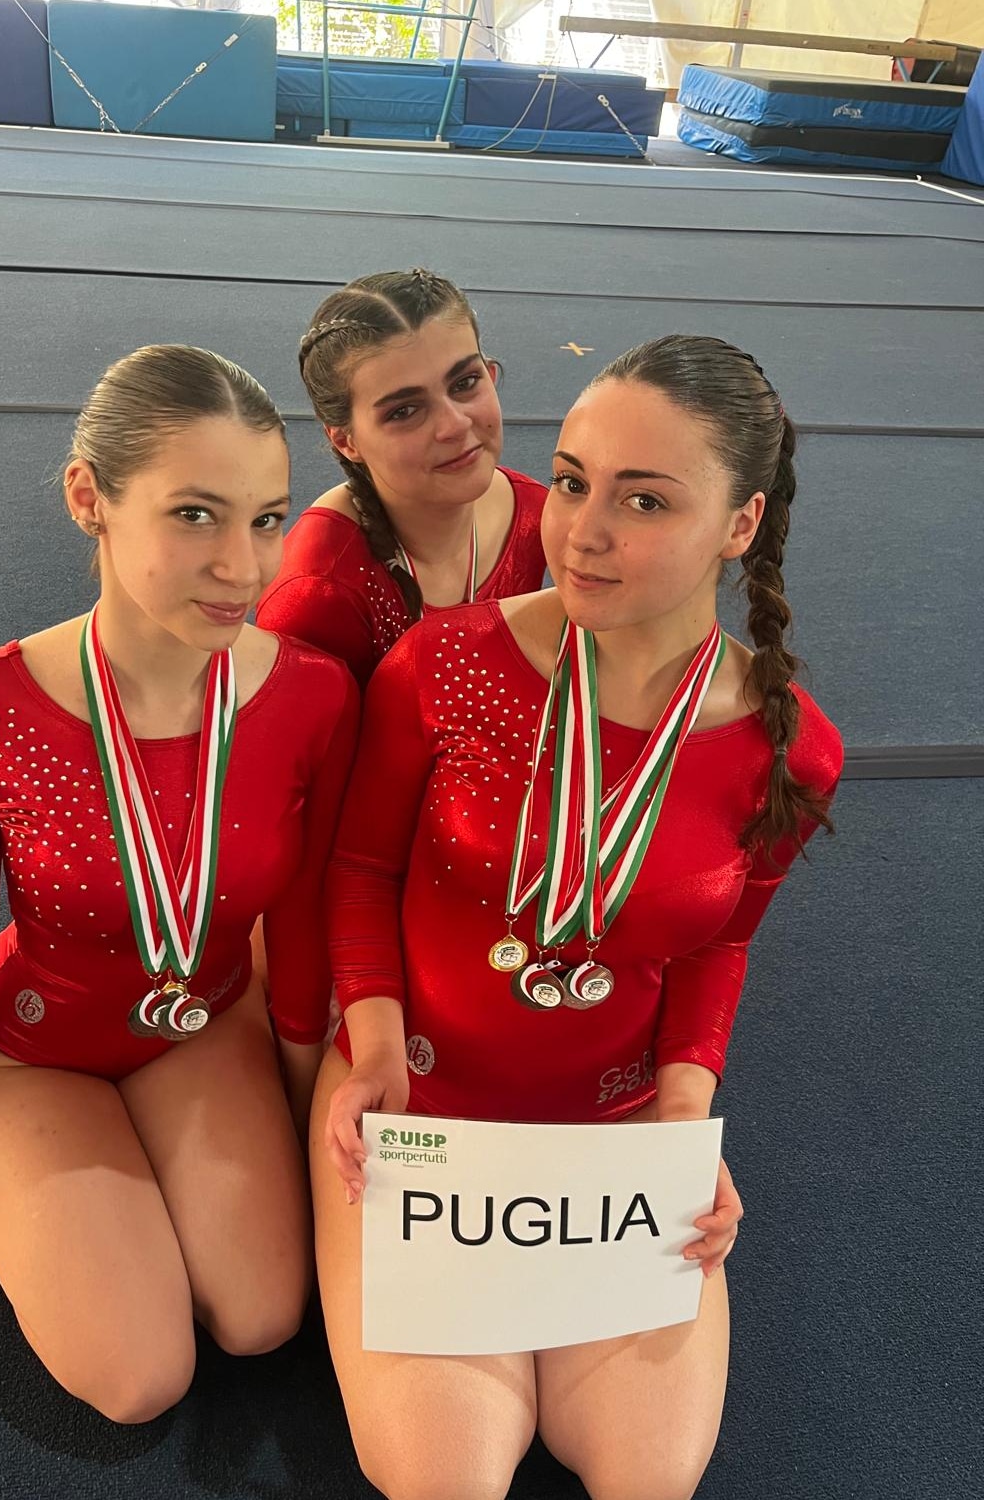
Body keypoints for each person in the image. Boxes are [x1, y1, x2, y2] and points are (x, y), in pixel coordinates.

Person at [311, 335, 844, 1500]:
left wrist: (684, 1116)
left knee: (647, 1478)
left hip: (614, 1127)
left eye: (644, 500)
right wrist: (373, 1045)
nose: (583, 532)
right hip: (420, 1101)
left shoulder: (789, 749)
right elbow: (358, 869)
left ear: (740, 523)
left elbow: (720, 944)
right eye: (570, 482)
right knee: (444, 1480)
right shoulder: (445, 666)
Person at [0, 346, 359, 1424]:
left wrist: (304, 1106)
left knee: (262, 1316)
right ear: (88, 498)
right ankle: (3, 1153)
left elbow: (299, 926)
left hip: (204, 1020)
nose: (243, 566)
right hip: (34, 1044)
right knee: (141, 1380)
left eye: (266, 519)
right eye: (194, 515)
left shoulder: (312, 697)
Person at [255, 268, 549, 687]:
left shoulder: (535, 514)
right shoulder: (317, 591)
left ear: (490, 374)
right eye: (404, 411)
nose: (454, 425)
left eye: (465, 383)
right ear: (346, 441)